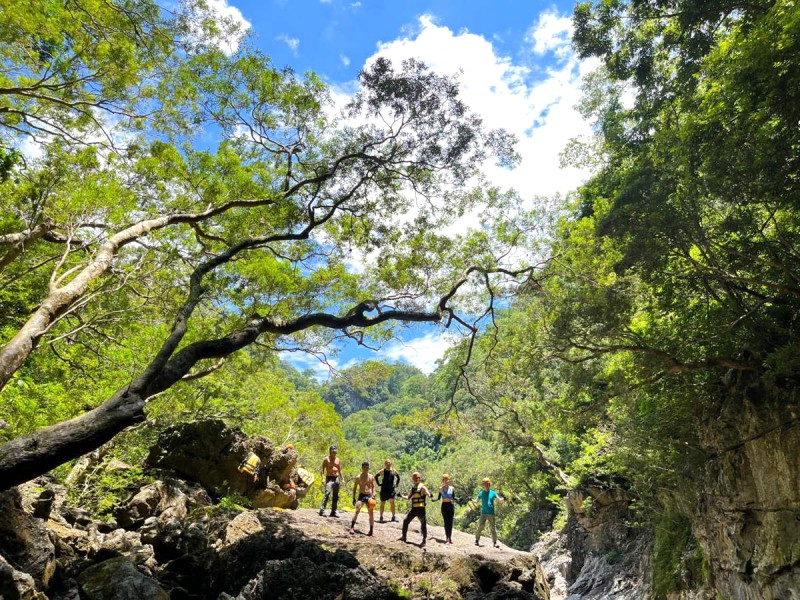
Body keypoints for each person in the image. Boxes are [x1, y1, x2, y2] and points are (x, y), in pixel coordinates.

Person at [399, 472, 430, 548]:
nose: (417, 479)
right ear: (413, 479)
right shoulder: (413, 488)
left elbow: (427, 492)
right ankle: (404, 536)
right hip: (414, 508)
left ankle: (424, 540)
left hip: (421, 509)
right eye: (415, 478)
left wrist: (429, 494)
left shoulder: (422, 487)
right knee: (406, 521)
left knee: (423, 524)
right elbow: (409, 497)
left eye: (418, 478)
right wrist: (401, 496)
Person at [474, 477, 504, 548]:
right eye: (484, 484)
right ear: (483, 485)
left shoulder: (493, 492)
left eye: (487, 484)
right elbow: (476, 500)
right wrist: (473, 500)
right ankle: (476, 540)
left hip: (491, 513)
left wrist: (502, 499)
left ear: (489, 484)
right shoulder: (481, 493)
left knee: (493, 528)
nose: (486, 485)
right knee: (480, 527)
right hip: (483, 513)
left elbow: (498, 499)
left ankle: (495, 542)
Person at [350, 461, 376, 536]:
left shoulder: (371, 476)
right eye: (364, 467)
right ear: (362, 468)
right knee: (357, 510)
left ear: (369, 468)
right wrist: (354, 497)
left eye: (367, 467)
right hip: (361, 495)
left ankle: (371, 530)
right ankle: (352, 527)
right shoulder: (358, 477)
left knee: (371, 514)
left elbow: (373, 487)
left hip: (369, 496)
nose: (366, 469)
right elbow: (355, 488)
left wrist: (373, 495)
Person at [431, 473, 455, 544]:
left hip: (450, 505)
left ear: (449, 480)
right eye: (444, 480)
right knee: (446, 522)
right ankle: (447, 538)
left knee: (450, 523)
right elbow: (439, 498)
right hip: (444, 506)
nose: (446, 481)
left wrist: (458, 499)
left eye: (447, 479)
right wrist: (434, 499)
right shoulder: (441, 489)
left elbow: (453, 498)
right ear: (443, 480)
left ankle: (450, 538)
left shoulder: (452, 488)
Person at [375, 458, 401, 523]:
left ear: (391, 463)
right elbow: (376, 477)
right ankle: (381, 517)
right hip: (384, 489)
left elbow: (398, 478)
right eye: (386, 463)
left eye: (389, 462)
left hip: (391, 489)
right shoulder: (382, 471)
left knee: (392, 503)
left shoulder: (394, 471)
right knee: (382, 503)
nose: (388, 464)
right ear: (385, 464)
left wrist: (396, 484)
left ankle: (393, 517)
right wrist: (379, 484)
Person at [319, 445, 341, 517]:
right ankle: (322, 510)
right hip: (329, 477)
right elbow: (322, 469)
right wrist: (323, 478)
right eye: (333, 449)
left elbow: (340, 470)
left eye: (335, 449)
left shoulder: (338, 459)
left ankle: (333, 511)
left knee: (335, 495)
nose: (335, 451)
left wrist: (342, 478)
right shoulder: (326, 459)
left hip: (336, 478)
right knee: (327, 493)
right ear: (330, 451)